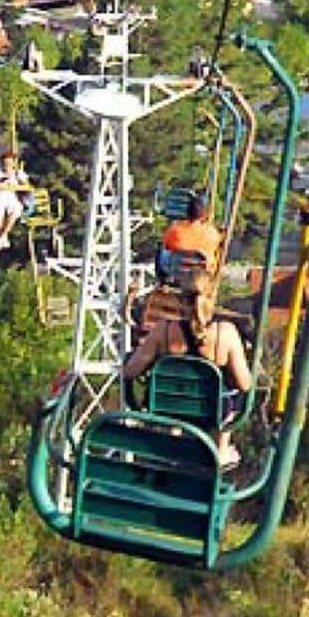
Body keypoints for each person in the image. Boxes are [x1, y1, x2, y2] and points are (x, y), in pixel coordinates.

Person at [123, 268, 251, 467]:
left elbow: (130, 371)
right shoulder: (225, 334)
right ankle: (221, 448)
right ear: (211, 297)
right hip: (211, 416)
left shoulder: (163, 331)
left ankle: (169, 441)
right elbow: (245, 384)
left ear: (181, 299)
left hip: (167, 412)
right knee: (231, 395)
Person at [160, 194, 221, 273]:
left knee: (163, 252)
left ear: (187, 213)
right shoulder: (212, 232)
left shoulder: (174, 230)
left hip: (179, 271)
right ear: (204, 215)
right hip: (204, 271)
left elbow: (166, 246)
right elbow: (216, 249)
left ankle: (163, 278)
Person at [0, 149, 33, 248]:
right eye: (5, 162)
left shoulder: (18, 174)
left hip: (12, 196)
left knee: (15, 210)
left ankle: (3, 235)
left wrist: (20, 184)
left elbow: (27, 185)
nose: (7, 165)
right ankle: (3, 236)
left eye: (9, 162)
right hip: (0, 195)